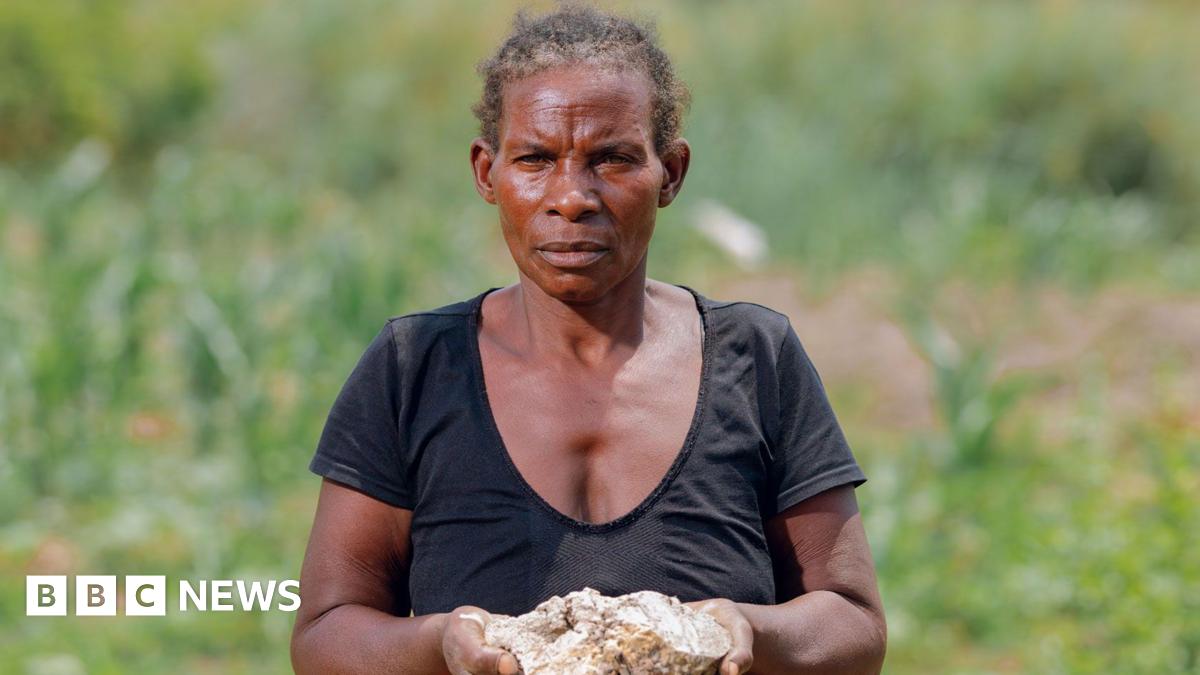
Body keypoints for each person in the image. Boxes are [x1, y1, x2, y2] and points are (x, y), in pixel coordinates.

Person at [291, 5, 885, 674]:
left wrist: (742, 627)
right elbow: (325, 634)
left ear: (672, 174)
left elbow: (854, 622)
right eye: (536, 159)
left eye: (612, 159)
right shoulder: (413, 368)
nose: (572, 196)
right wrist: (440, 642)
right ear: (488, 173)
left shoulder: (755, 357)